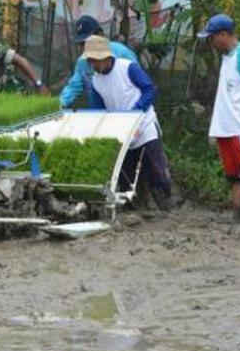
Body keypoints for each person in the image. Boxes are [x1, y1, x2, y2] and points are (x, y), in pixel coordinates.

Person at [83, 35, 172, 210]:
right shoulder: (96, 81)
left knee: (156, 171)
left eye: (94, 61)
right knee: (126, 175)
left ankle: (166, 205)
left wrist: (135, 113)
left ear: (105, 57)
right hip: (121, 131)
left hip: (143, 126)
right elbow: (99, 110)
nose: (93, 65)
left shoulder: (128, 68)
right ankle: (136, 208)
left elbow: (149, 90)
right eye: (90, 61)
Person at [198, 14, 240, 224]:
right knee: (235, 177)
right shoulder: (227, 57)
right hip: (227, 128)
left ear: (223, 34)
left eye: (212, 38)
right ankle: (235, 218)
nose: (211, 42)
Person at [59, 15, 138, 108]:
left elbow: (139, 84)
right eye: (81, 43)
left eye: (87, 41)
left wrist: (139, 107)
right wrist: (58, 104)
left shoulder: (122, 53)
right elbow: (73, 87)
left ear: (100, 35)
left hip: (128, 112)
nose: (84, 46)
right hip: (98, 113)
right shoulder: (82, 62)